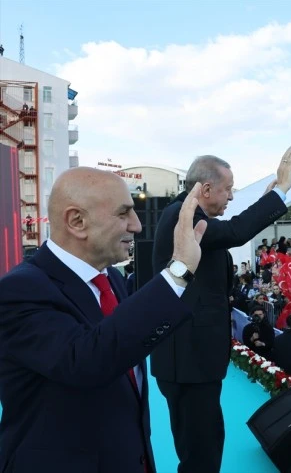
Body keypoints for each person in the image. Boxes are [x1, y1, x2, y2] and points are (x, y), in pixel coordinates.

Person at [0, 168, 207, 473]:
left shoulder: (110, 279)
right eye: (123, 213)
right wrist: (179, 271)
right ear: (77, 221)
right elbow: (87, 360)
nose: (136, 225)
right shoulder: (19, 290)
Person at [151, 147, 291, 473]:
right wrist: (280, 193)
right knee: (200, 455)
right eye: (228, 189)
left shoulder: (190, 216)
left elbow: (228, 234)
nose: (231, 196)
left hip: (193, 360)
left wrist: (266, 202)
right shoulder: (182, 217)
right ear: (205, 189)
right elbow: (234, 232)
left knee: (204, 446)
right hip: (188, 362)